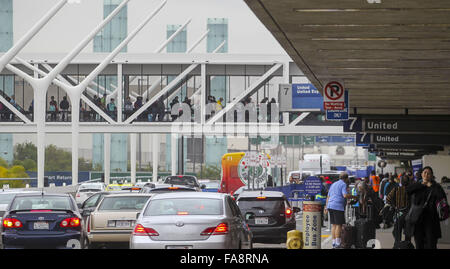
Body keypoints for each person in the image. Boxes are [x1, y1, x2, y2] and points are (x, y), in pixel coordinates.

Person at [406, 166, 448, 249]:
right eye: (424, 172)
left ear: (432, 176)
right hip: (417, 219)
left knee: (431, 244)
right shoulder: (417, 184)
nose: (426, 174)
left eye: (429, 173)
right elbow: (407, 191)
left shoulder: (436, 186)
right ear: (421, 174)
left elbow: (442, 197)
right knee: (419, 243)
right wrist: (420, 185)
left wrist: (431, 186)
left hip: (431, 219)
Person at [324, 172, 357, 248]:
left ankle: (334, 243)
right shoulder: (343, 184)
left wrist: (326, 207)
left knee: (334, 225)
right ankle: (338, 244)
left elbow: (328, 196)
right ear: (346, 178)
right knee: (339, 225)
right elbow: (345, 195)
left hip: (330, 205)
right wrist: (354, 197)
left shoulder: (333, 184)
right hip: (337, 206)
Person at [386, 174, 412, 248]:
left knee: (397, 232)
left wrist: (394, 206)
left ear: (400, 181)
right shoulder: (411, 190)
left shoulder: (396, 189)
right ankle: (407, 246)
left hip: (399, 214)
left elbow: (388, 199)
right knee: (408, 233)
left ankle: (398, 245)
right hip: (409, 215)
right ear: (409, 182)